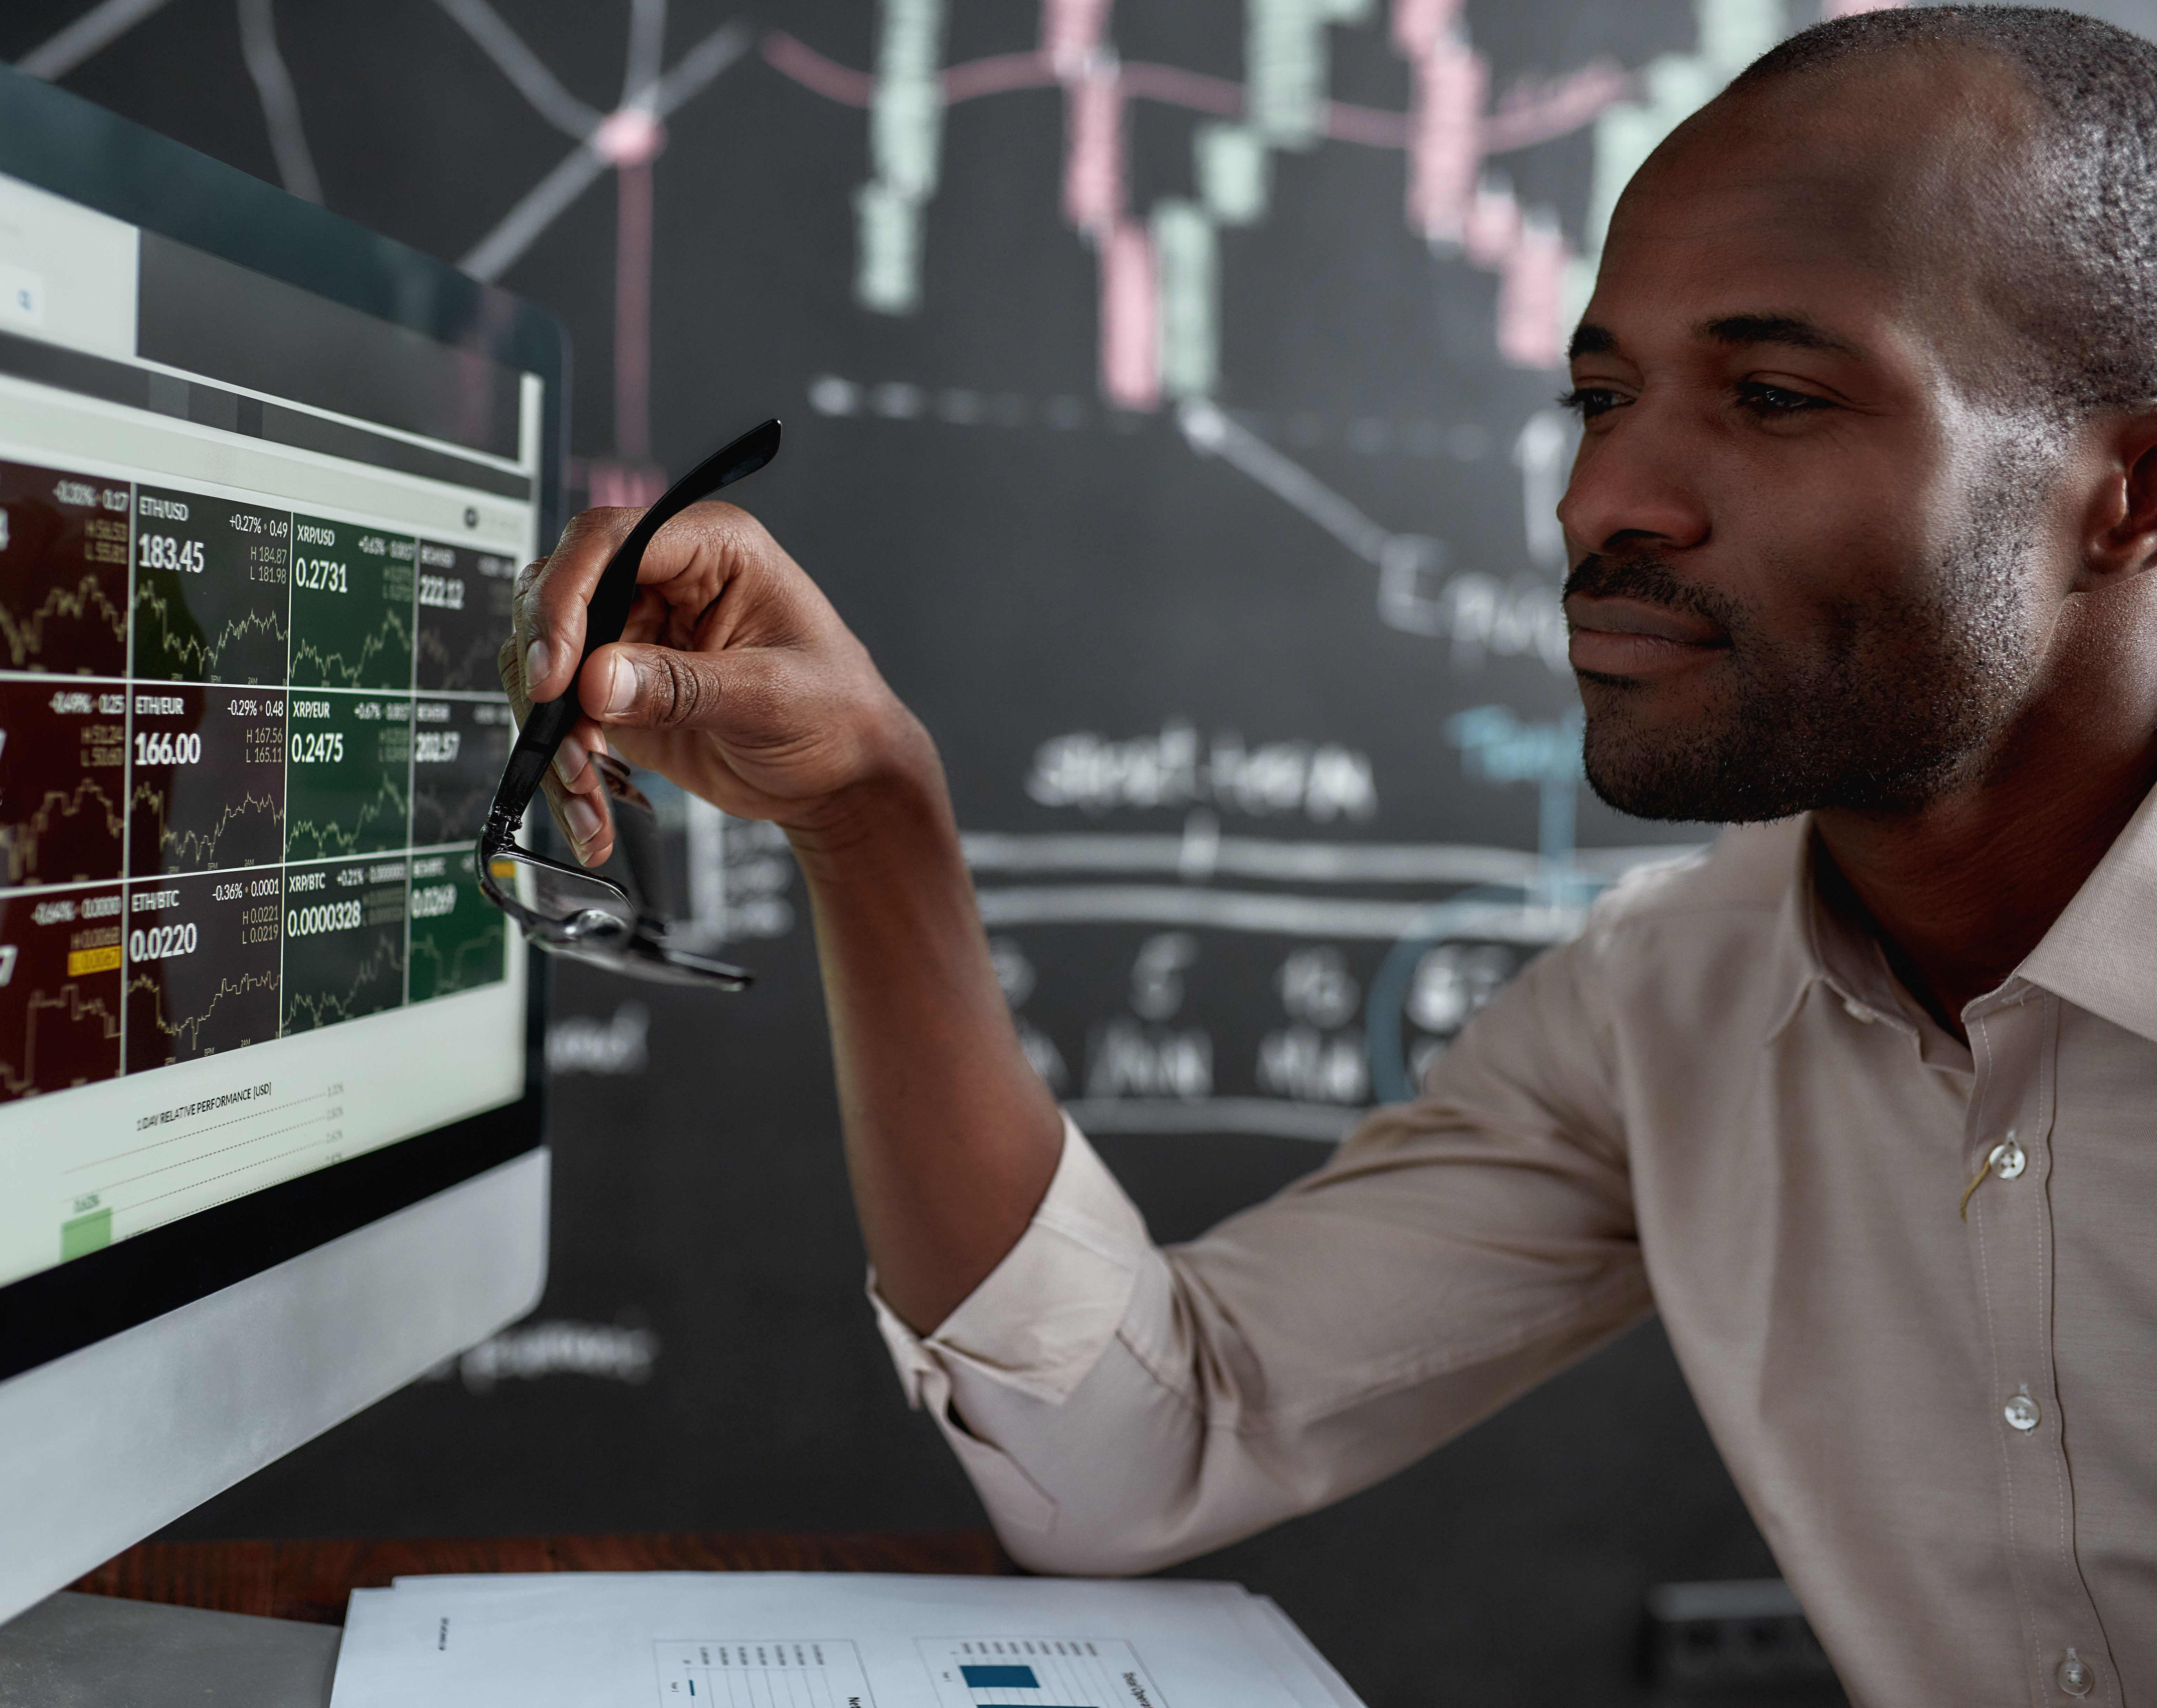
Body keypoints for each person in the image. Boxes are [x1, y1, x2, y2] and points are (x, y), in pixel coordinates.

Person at [503, 9, 2157, 1703]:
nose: (1608, 500)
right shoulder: (1670, 1007)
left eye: (1776, 395)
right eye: (1601, 395)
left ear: (2132, 490)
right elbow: (1136, 1446)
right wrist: (870, 815)